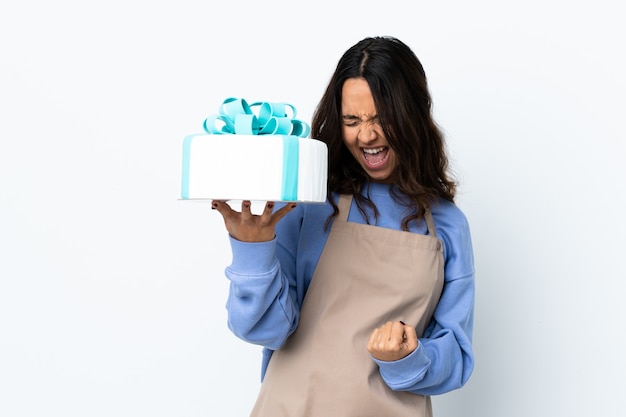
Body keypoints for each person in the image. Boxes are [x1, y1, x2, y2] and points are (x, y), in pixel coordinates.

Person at [211, 35, 475, 417]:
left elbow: (458, 355)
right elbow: (265, 331)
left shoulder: (448, 225)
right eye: (352, 120)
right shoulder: (306, 205)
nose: (366, 136)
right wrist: (252, 251)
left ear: (412, 116)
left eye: (381, 120)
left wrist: (410, 356)